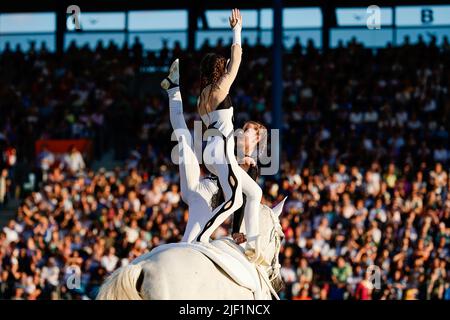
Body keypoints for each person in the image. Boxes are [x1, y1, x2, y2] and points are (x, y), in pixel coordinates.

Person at [161, 9, 263, 262]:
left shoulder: (203, 96)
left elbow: (228, 65)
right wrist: (236, 30)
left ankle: (251, 241)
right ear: (219, 71)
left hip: (210, 150)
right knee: (236, 198)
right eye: (222, 66)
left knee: (254, 193)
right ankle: (203, 237)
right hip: (222, 150)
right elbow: (236, 60)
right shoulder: (219, 89)